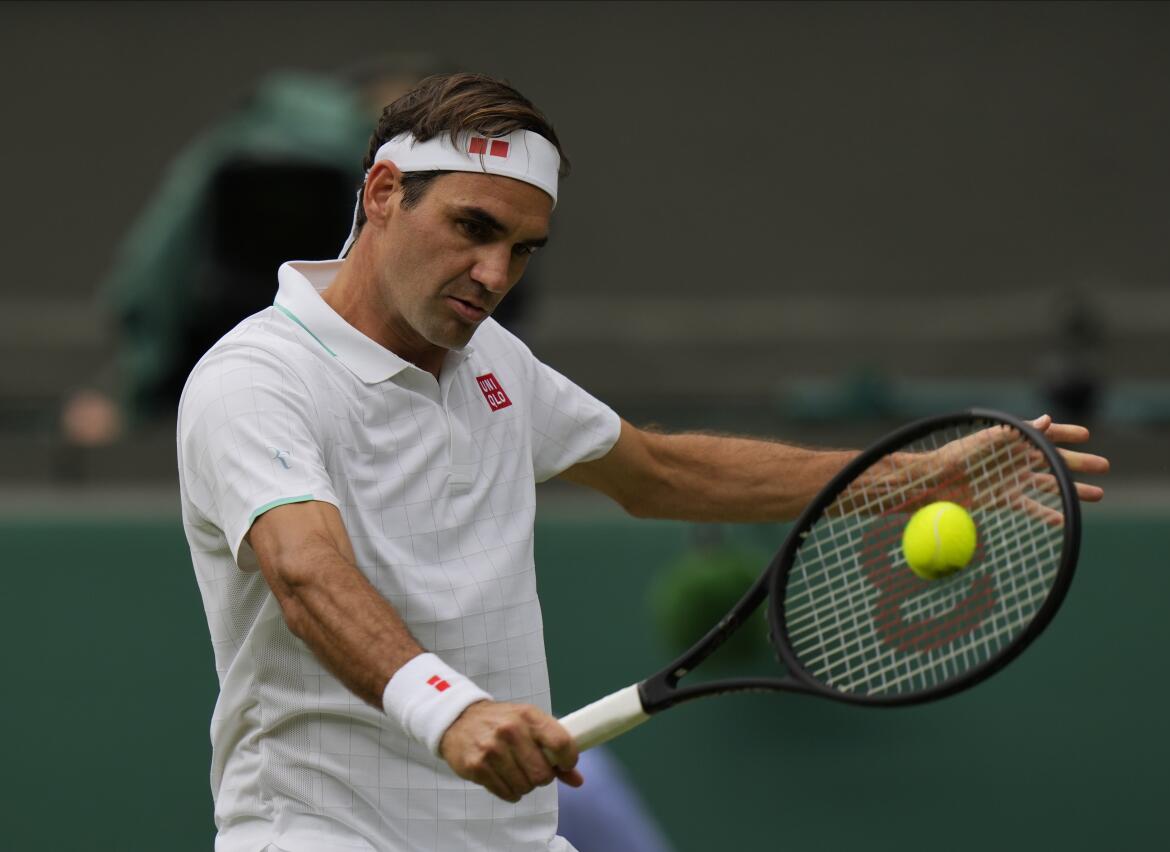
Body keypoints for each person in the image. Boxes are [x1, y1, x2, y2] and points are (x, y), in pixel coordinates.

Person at [176, 73, 1110, 852]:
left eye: (523, 249)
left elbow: (660, 474)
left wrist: (917, 478)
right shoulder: (258, 380)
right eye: (472, 228)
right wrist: (449, 712)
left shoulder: (496, 365)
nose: (496, 276)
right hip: (318, 836)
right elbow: (306, 572)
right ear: (383, 192)